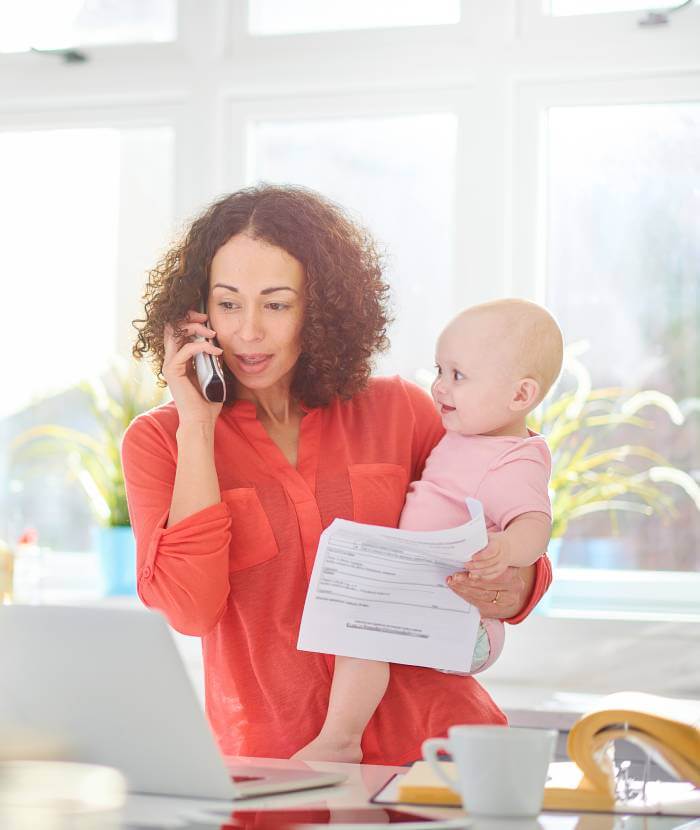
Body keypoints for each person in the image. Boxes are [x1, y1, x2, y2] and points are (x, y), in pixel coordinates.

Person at [122, 184, 553, 766]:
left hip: (439, 757)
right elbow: (190, 610)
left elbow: (511, 520)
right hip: (281, 768)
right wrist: (198, 425)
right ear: (196, 315)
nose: (249, 330)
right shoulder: (160, 443)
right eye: (228, 304)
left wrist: (508, 583)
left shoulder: (402, 410)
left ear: (319, 307)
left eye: (276, 304)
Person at [294, 299, 562, 762]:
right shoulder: (468, 435)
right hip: (441, 607)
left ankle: (339, 740)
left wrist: (506, 549)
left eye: (458, 376)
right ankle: (341, 739)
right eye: (439, 370)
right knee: (362, 630)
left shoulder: (511, 459)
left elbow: (536, 525)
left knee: (360, 630)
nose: (439, 387)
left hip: (467, 626)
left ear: (520, 397)